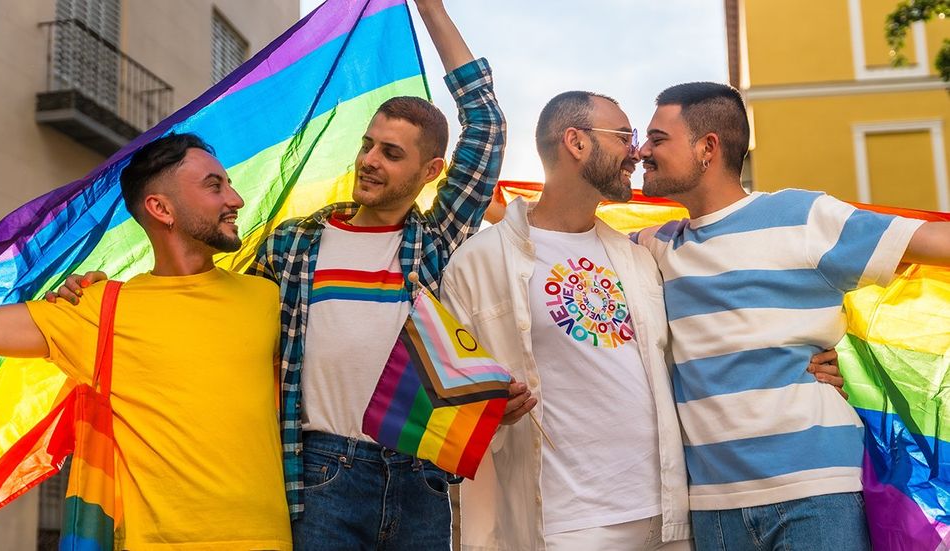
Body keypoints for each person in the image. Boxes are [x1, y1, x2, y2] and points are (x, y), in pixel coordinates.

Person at [440, 91, 845, 550]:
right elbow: (438, 408)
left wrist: (806, 356)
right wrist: (487, 411)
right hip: (563, 528)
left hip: (673, 521)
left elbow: (723, 314)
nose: (637, 151)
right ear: (576, 142)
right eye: (624, 136)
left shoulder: (642, 255)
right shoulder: (477, 263)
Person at [634, 81, 950, 550]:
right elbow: (567, 241)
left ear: (707, 147)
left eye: (657, 139)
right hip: (712, 506)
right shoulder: (654, 248)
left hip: (816, 492)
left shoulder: (802, 216)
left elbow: (932, 242)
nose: (642, 150)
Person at [245, 1, 505, 548]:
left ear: (430, 171)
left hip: (420, 479)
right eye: (368, 145)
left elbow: (486, 124)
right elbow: (227, 319)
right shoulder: (293, 245)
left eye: (390, 153)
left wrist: (431, 8)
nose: (369, 160)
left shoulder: (435, 241)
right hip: (321, 476)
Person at [0, 133, 291, 550]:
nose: (236, 200)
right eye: (215, 186)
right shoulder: (100, 308)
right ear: (161, 208)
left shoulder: (268, 297)